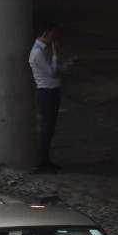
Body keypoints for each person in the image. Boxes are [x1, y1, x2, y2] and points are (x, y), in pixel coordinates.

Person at [28, 21, 77, 173]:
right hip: (46, 93)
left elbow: (55, 70)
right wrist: (56, 54)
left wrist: (67, 64)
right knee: (46, 129)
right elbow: (52, 72)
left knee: (50, 129)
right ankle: (41, 163)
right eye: (52, 34)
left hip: (52, 92)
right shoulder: (38, 53)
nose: (54, 37)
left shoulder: (44, 49)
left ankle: (45, 160)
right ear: (45, 34)